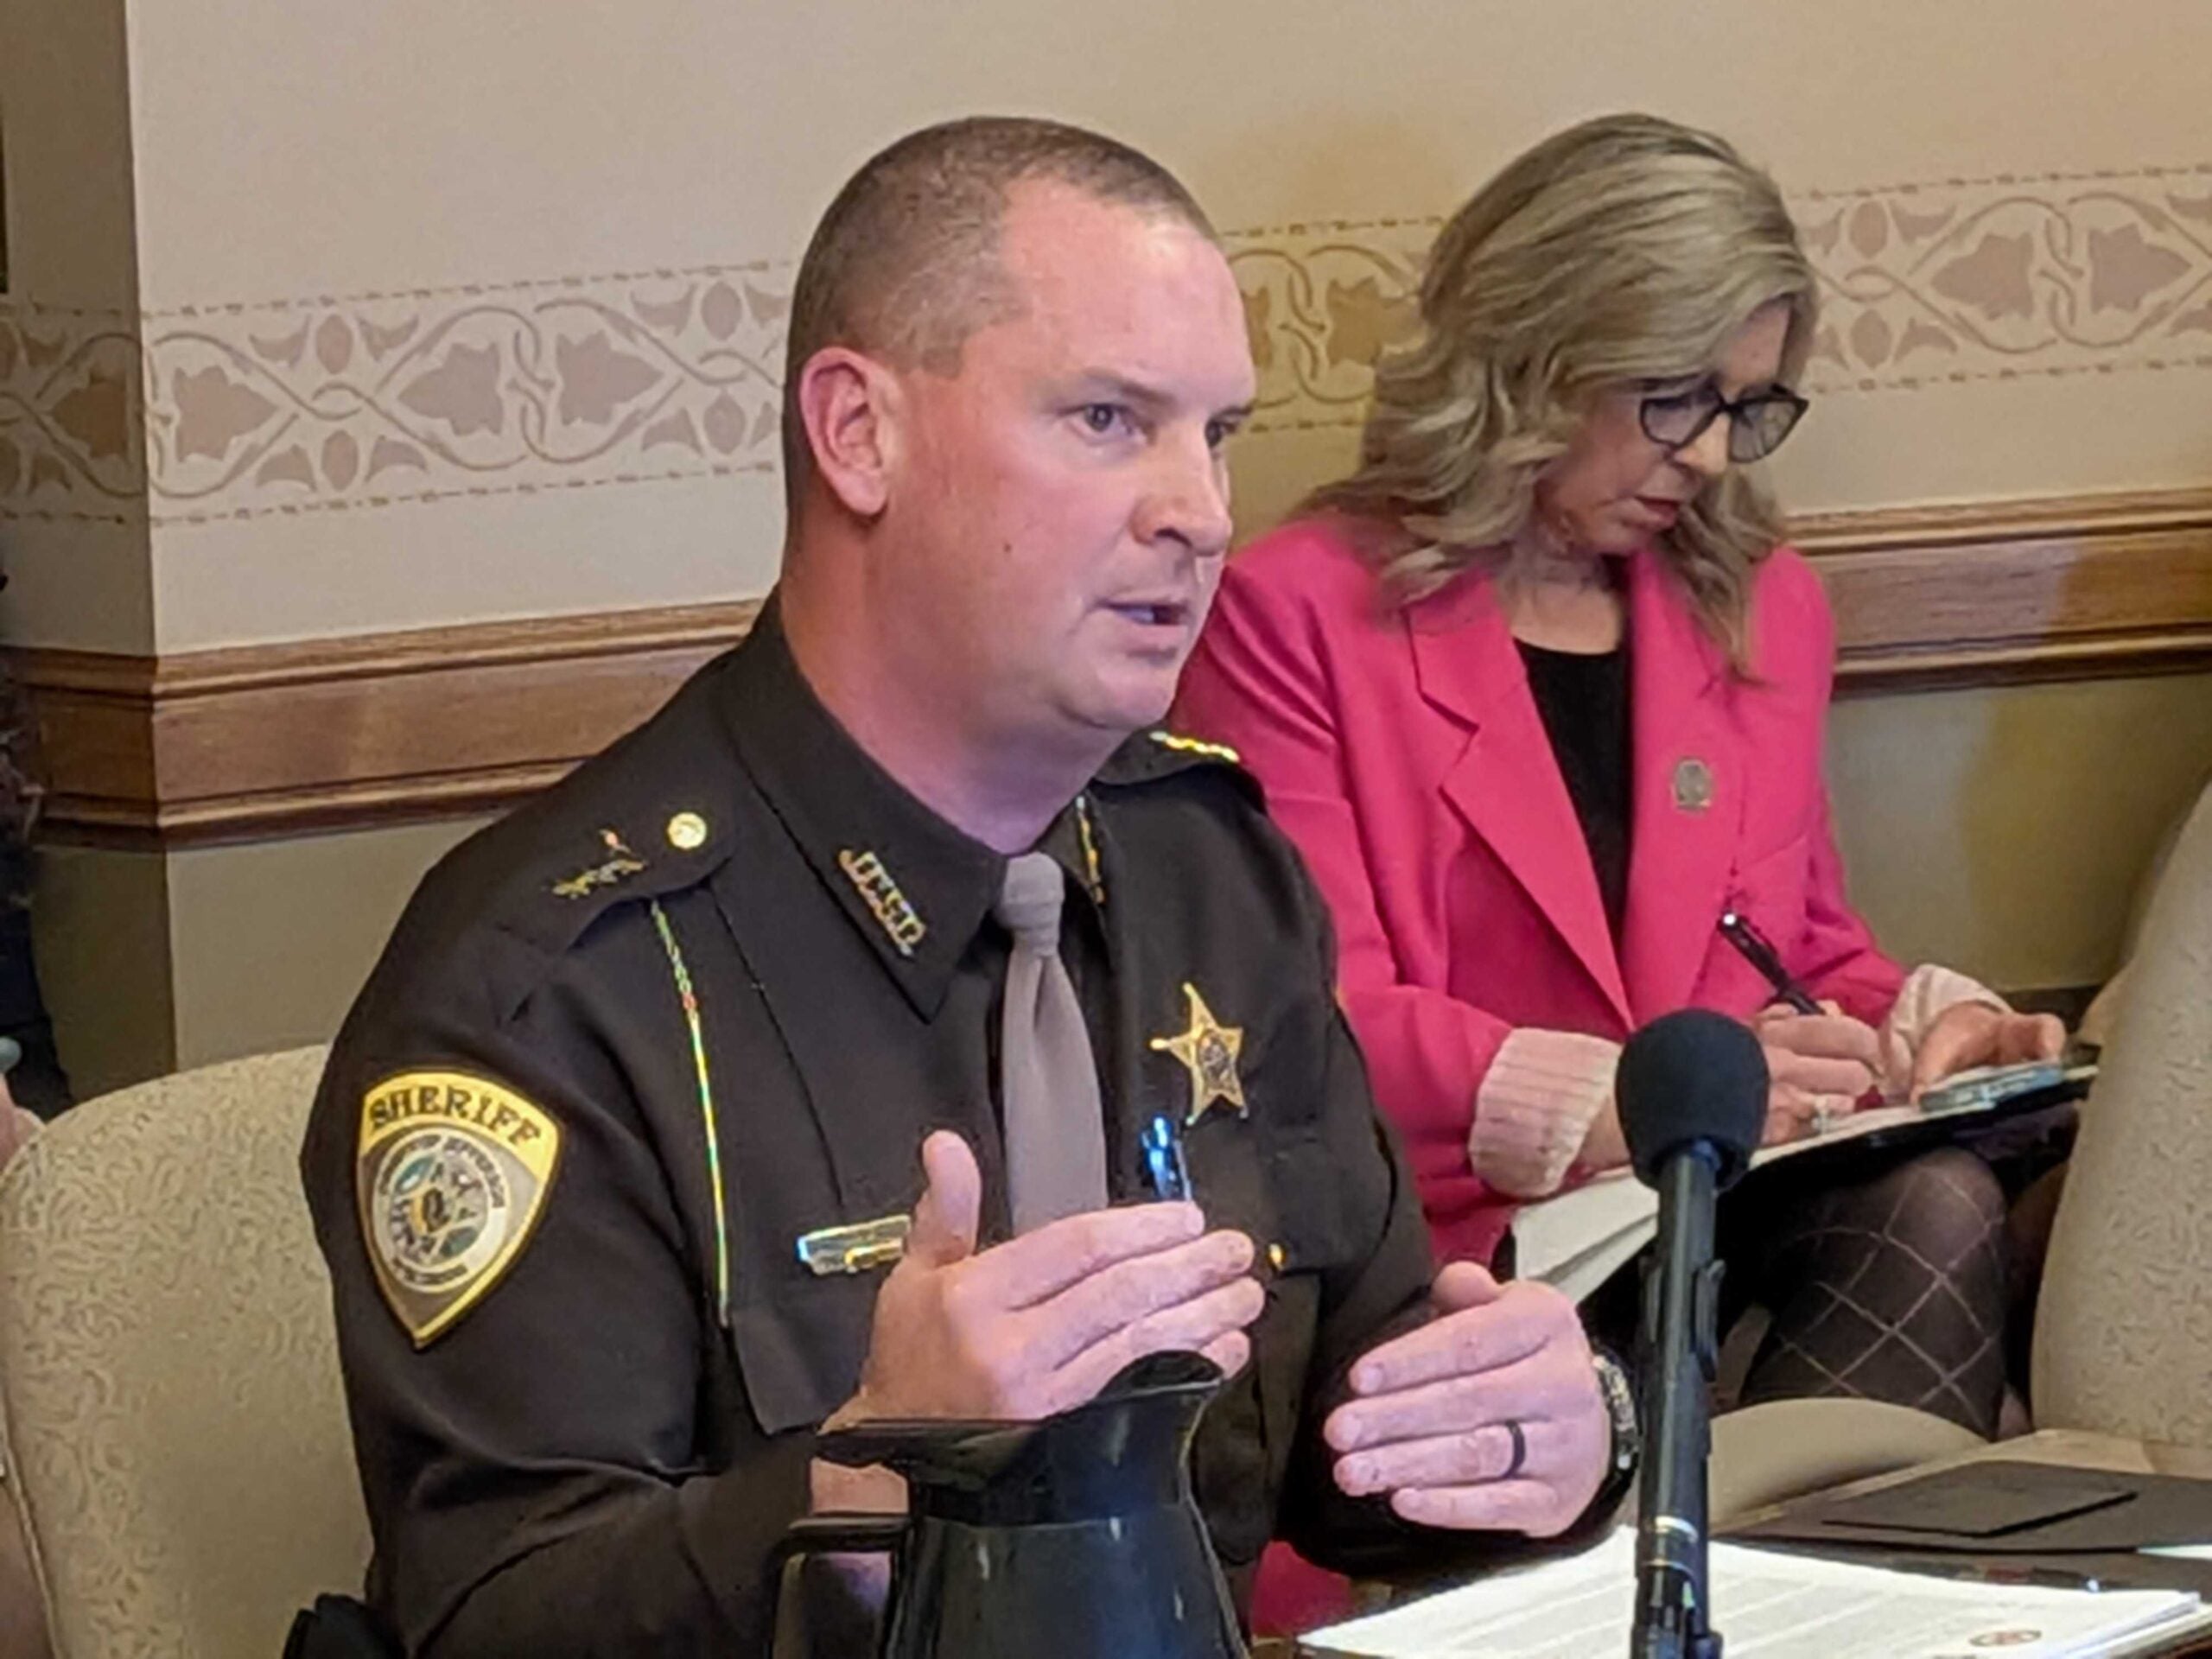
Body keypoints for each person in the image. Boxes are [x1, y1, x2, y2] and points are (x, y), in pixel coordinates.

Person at [300, 117, 1633, 1658]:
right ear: (858, 433)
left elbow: (1361, 1413)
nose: (1200, 510)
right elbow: (494, 1618)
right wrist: (878, 1479)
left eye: (1216, 434)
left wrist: (1546, 1426)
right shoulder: (555, 984)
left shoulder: (1208, 866)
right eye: (1108, 420)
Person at [1174, 112, 2066, 1443]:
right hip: (1457, 1239)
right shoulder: (1294, 612)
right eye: (1673, 396)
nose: (1706, 453)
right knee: (1919, 1223)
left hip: (1727, 1200)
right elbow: (1308, 1018)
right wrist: (1610, 1095)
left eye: (1744, 408)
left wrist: (1933, 1035)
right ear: (1530, 359)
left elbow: (1797, 955)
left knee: (1938, 1198)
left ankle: (1769, 1575)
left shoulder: (1758, 607)